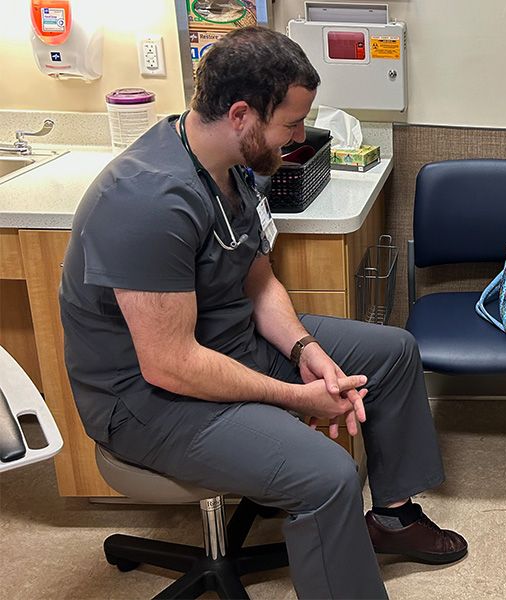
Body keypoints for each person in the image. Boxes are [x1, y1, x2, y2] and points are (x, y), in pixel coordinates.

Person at [59, 26, 466, 599]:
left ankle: (392, 517)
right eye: (292, 124)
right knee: (326, 476)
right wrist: (301, 398)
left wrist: (307, 352)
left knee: (394, 352)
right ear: (242, 115)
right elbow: (169, 364)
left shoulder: (233, 166)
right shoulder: (144, 201)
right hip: (146, 400)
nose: (299, 137)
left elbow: (260, 283)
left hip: (227, 345)